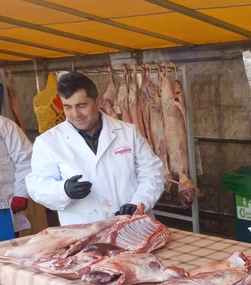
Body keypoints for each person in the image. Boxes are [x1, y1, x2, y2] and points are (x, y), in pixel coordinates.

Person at [26, 72, 163, 226]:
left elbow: (152, 172)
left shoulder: (127, 132)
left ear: (98, 102)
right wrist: (63, 190)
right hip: (84, 230)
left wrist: (139, 202)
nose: (75, 114)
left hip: (133, 225)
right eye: (68, 107)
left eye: (81, 105)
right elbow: (37, 185)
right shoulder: (48, 142)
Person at [0, 113, 32, 232]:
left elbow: (26, 160)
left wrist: (21, 194)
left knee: (4, 247)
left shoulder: (3, 125)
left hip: (3, 206)